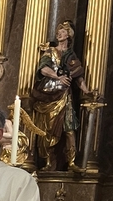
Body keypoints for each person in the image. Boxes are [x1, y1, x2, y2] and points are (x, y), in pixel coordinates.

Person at [31, 21, 91, 171]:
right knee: (49, 129)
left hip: (65, 96)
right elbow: (43, 69)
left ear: (69, 35)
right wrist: (58, 77)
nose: (59, 33)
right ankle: (47, 162)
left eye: (63, 31)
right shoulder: (50, 52)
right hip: (49, 94)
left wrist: (86, 91)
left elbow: (78, 76)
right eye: (58, 31)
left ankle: (71, 163)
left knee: (69, 129)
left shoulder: (71, 55)